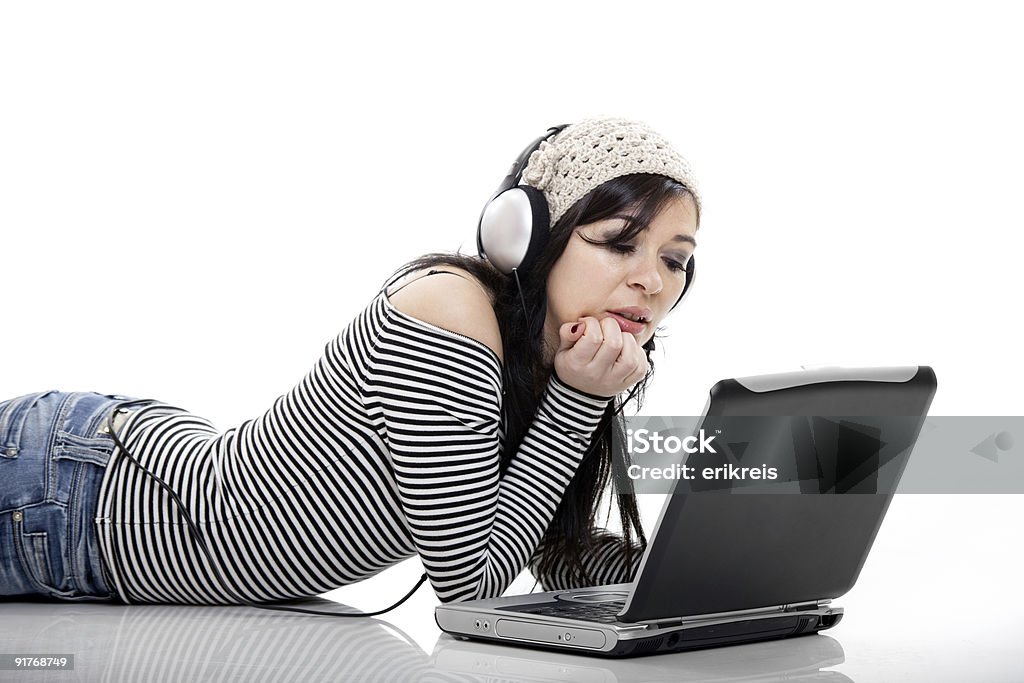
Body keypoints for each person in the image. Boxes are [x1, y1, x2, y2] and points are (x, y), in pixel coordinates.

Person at [0, 117, 701, 606]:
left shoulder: (566, 361)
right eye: (618, 242)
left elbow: (545, 546)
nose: (652, 280)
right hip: (72, 493)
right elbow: (470, 586)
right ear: (529, 233)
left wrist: (696, 575)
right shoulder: (452, 313)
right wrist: (576, 401)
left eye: (675, 260)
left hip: (103, 502)